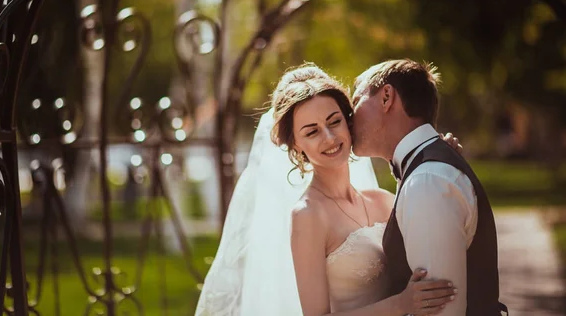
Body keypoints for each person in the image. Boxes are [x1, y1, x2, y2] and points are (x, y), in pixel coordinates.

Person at [195, 63, 459, 316]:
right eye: (312, 132)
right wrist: (401, 305)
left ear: (348, 121)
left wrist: (438, 164)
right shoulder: (308, 215)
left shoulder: (383, 200)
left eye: (334, 122)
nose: (330, 138)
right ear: (296, 145)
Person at [351, 59, 507, 316]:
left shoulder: (427, 181)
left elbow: (441, 311)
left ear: (386, 97)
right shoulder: (422, 172)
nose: (349, 116)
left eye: (356, 100)